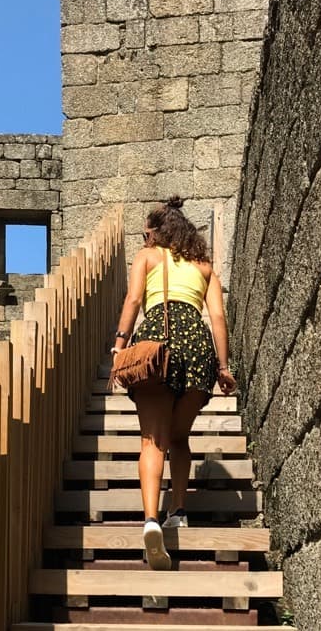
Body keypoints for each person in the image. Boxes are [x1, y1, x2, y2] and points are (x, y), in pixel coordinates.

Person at [111, 196, 237, 570]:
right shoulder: (204, 267)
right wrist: (224, 366)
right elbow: (217, 317)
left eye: (145, 232)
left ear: (154, 233)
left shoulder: (147, 257)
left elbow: (134, 299)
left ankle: (151, 519)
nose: (143, 237)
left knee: (153, 439)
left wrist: (119, 346)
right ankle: (178, 511)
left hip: (156, 348)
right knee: (179, 438)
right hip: (198, 350)